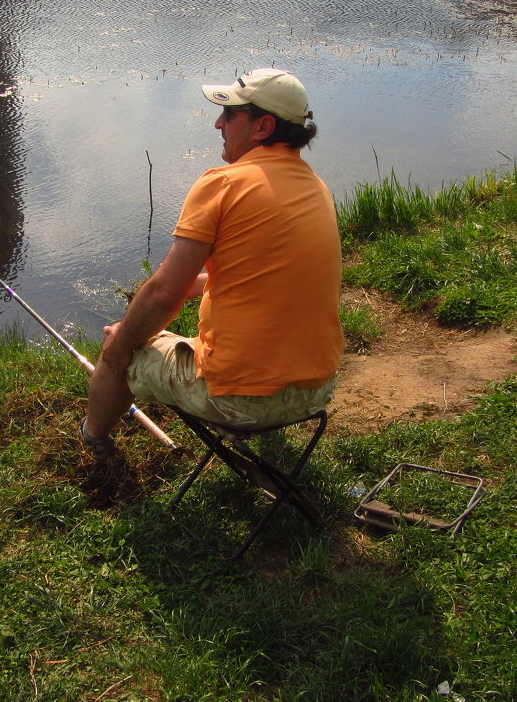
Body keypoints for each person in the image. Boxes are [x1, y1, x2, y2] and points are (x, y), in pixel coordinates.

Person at [82, 68, 344, 455]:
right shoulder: (314, 186)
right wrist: (200, 285)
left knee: (117, 345)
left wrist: (123, 344)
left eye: (231, 114)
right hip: (316, 391)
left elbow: (162, 293)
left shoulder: (223, 183)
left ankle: (93, 443)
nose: (219, 123)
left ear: (263, 126)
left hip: (241, 401)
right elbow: (270, 277)